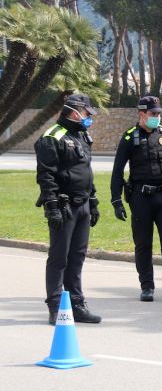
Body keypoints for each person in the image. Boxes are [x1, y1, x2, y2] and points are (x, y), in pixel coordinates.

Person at [109, 96, 162, 304]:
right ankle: (147, 287)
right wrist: (116, 201)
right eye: (153, 114)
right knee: (143, 244)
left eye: (158, 114)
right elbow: (117, 171)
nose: (157, 117)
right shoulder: (129, 138)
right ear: (142, 114)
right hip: (141, 198)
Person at [34, 94, 102, 325]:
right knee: (59, 258)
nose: (88, 118)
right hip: (63, 206)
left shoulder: (80, 135)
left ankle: (76, 304)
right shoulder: (52, 137)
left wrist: (92, 200)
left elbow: (85, 170)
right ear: (74, 112)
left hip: (82, 204)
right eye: (86, 113)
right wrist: (51, 206)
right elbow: (46, 176)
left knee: (77, 257)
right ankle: (55, 307)